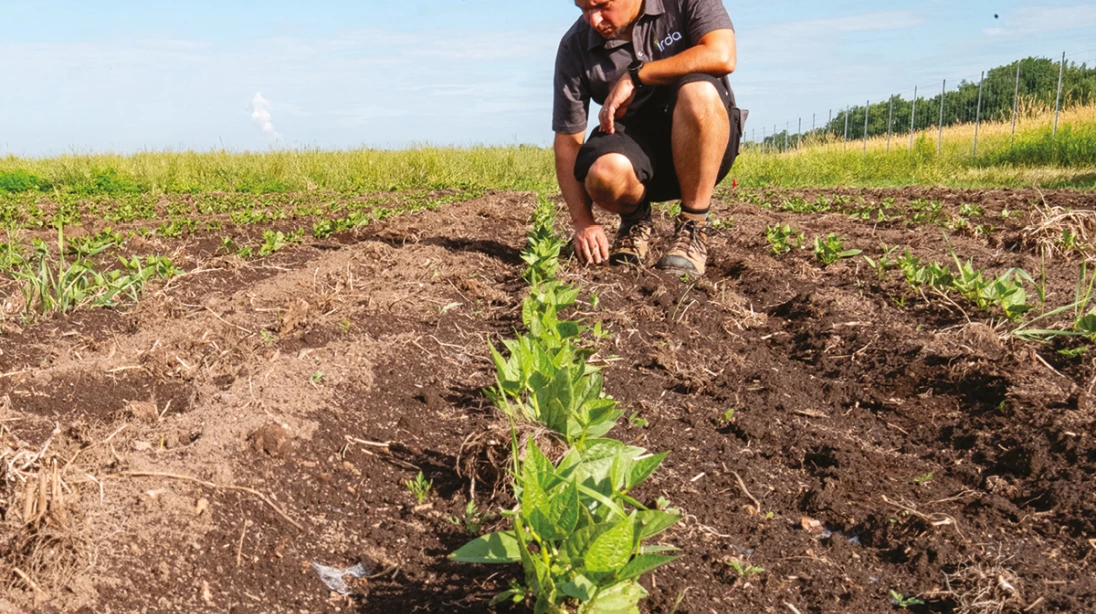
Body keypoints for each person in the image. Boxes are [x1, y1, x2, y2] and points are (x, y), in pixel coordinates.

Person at [553, 0, 744, 276]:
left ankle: (693, 226)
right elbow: (568, 140)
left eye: (602, 5)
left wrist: (637, 76)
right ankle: (634, 220)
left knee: (699, 91)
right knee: (604, 173)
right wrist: (583, 221)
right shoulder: (575, 46)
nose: (593, 20)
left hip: (703, 146)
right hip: (634, 151)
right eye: (583, 9)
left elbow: (723, 54)